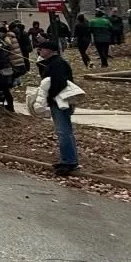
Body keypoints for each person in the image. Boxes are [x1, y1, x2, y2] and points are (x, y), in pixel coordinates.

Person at [34, 38, 80, 175]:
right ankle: (66, 159)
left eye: (41, 49)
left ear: (50, 50)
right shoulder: (52, 63)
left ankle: (69, 162)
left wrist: (51, 96)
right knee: (62, 132)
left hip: (61, 102)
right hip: (57, 101)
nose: (39, 51)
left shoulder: (58, 63)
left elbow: (60, 82)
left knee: (64, 132)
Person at [0, 36, 16, 112]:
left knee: (4, 90)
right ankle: (1, 105)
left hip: (3, 74)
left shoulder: (0, 50)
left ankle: (9, 106)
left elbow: (4, 60)